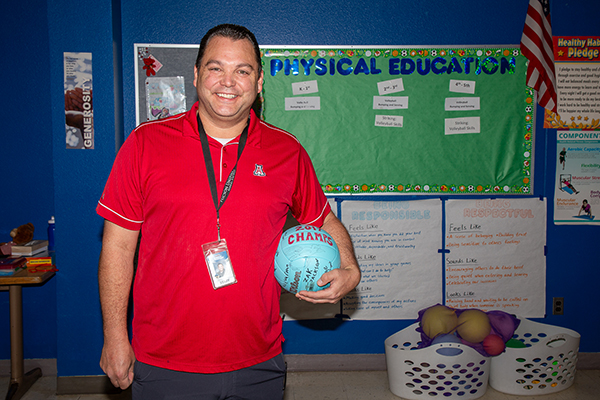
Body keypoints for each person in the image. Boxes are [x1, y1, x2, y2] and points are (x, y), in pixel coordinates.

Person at [96, 24, 361, 400]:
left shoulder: (287, 152)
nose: (228, 82)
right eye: (215, 67)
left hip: (258, 359)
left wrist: (350, 267)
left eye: (243, 70)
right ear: (196, 74)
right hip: (164, 360)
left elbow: (324, 220)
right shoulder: (144, 145)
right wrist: (115, 336)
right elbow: (118, 248)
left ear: (259, 83)